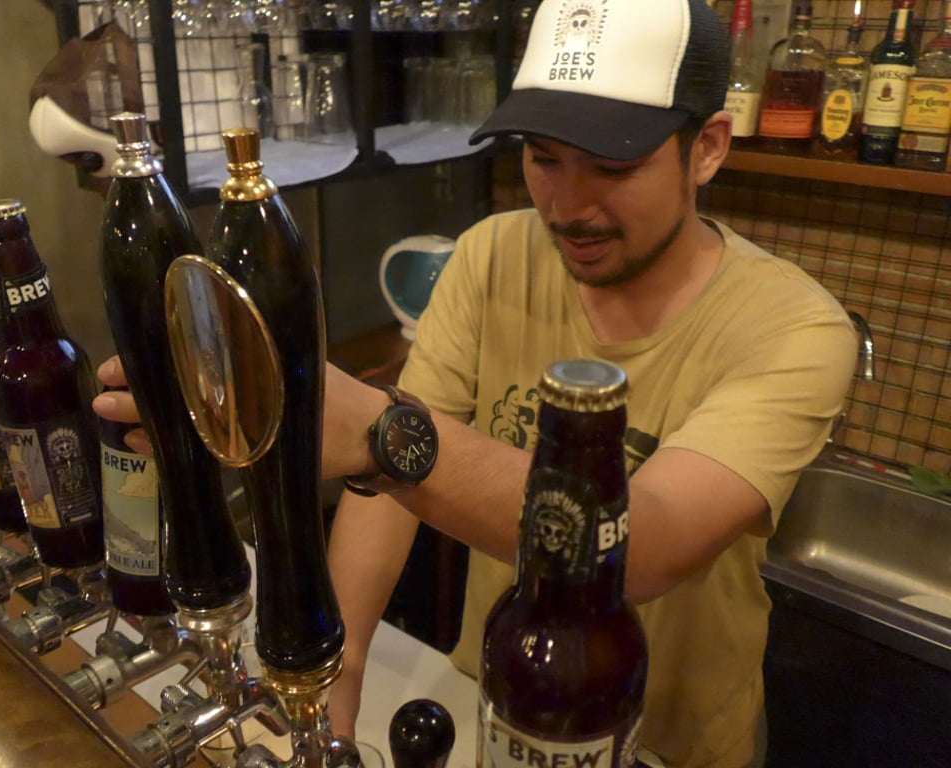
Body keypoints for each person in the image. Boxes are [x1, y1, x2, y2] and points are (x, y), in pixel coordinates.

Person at [93, 0, 858, 765]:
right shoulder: (493, 255)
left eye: (615, 166)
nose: (567, 206)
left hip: (668, 745)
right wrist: (341, 663)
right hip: (493, 703)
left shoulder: (796, 329)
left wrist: (374, 430)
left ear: (708, 148)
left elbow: (645, 545)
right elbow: (383, 495)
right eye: (543, 156)